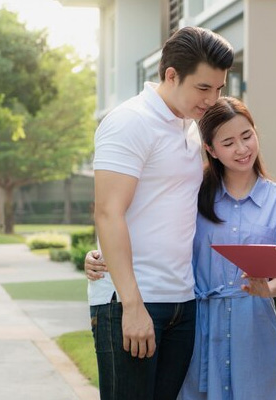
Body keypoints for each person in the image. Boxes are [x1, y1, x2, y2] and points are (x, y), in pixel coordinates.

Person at [86, 96, 276, 400]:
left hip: (254, 330)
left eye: (247, 136)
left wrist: (271, 289)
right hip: (195, 328)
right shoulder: (192, 195)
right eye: (228, 142)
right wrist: (100, 256)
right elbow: (150, 229)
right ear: (210, 149)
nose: (242, 149)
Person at [90, 26, 234, 400]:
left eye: (219, 89)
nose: (212, 99)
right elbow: (108, 212)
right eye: (204, 88)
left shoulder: (190, 127)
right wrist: (131, 305)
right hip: (134, 301)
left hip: (181, 301)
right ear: (171, 75)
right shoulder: (129, 121)